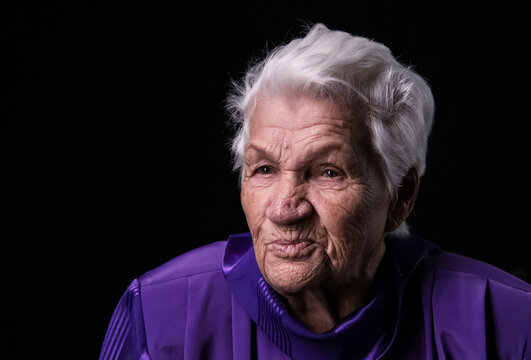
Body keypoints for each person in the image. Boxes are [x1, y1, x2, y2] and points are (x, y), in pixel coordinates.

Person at [99, 24, 531, 360]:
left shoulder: (506, 320)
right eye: (264, 168)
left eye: (327, 172)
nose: (285, 209)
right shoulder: (160, 314)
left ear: (400, 197)